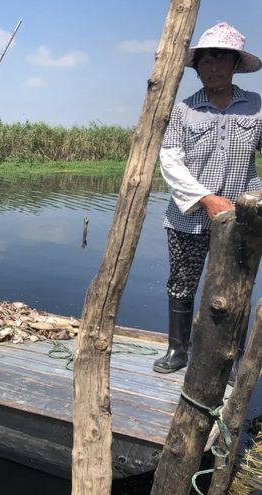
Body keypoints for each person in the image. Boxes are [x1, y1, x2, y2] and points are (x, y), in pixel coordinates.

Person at [154, 22, 262, 374]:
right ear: (196, 68)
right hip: (188, 217)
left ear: (234, 65)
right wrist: (207, 199)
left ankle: (228, 359)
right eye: (205, 62)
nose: (212, 68)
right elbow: (170, 160)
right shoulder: (184, 110)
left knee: (235, 289)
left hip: (241, 218)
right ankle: (178, 350)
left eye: (220, 60)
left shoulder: (256, 106)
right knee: (182, 284)